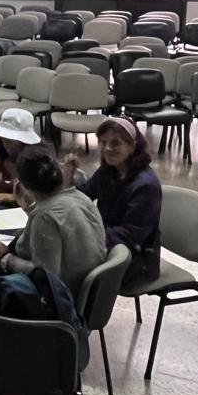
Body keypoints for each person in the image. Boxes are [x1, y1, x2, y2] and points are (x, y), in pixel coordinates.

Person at [0, 145, 108, 295]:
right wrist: (29, 208)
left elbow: (47, 276)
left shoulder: (45, 217)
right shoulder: (80, 198)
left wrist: (3, 257)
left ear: (22, 184)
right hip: (85, 291)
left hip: (60, 300)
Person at [77, 117, 162, 285]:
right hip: (109, 244)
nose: (107, 148)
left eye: (115, 143)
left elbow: (130, 235)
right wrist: (62, 185)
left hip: (137, 262)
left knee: (69, 266)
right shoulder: (108, 171)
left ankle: (77, 310)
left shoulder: (145, 186)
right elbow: (83, 196)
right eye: (103, 142)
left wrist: (87, 239)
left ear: (132, 147)